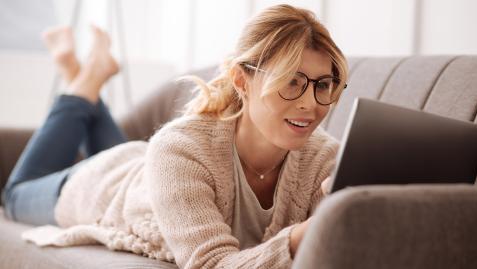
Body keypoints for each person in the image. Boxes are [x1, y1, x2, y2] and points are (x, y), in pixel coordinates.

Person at [2, 4, 348, 268]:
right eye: (291, 81)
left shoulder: (325, 159)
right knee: (15, 194)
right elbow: (211, 263)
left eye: (324, 85)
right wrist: (305, 234)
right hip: (102, 187)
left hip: (146, 168)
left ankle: (81, 73)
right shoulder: (179, 149)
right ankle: (83, 81)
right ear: (241, 80)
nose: (310, 104)